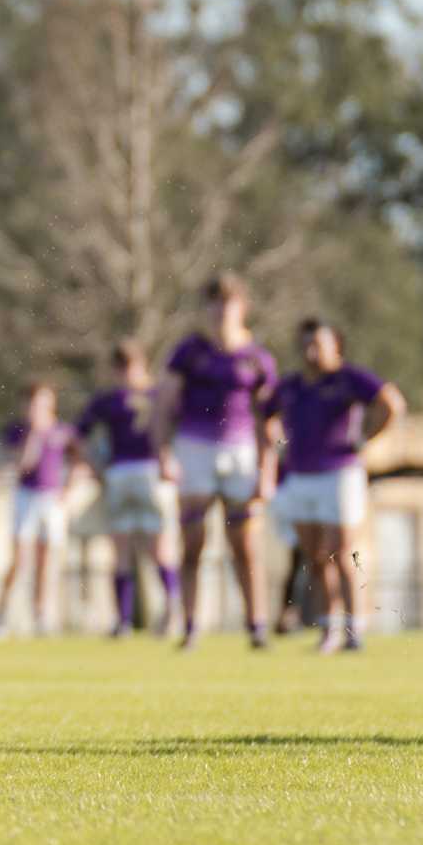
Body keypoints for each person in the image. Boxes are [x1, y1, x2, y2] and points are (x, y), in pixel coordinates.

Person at [262, 319, 404, 654]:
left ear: (335, 346)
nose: (310, 351)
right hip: (299, 476)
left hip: (340, 474)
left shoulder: (348, 379)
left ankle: (355, 629)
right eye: (306, 344)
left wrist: (366, 437)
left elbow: (391, 402)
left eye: (318, 344)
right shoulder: (292, 385)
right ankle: (329, 629)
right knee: (315, 557)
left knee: (341, 553)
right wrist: (272, 447)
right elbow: (263, 414)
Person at [156, 274, 279, 650]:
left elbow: (269, 418)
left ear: (243, 307)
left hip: (240, 451)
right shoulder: (189, 352)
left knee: (244, 545)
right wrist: (164, 454)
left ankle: (256, 626)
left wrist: (268, 469)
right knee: (192, 542)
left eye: (229, 302)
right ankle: (191, 626)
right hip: (195, 450)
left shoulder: (257, 358)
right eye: (215, 302)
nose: (221, 310)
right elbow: (163, 406)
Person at [76, 340, 181, 638]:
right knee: (121, 549)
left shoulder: (156, 395)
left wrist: (171, 458)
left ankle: (170, 608)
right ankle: (123, 621)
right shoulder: (116, 398)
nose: (124, 372)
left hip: (148, 472)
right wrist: (94, 466)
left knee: (157, 546)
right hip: (122, 474)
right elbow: (77, 436)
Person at [0, 382, 82, 637]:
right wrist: (33, 437)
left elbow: (78, 460)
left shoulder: (63, 431)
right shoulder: (20, 431)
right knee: (20, 559)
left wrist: (69, 488)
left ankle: (41, 615)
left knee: (46, 559)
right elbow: (22, 465)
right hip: (26, 496)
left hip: (52, 499)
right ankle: (1, 614)